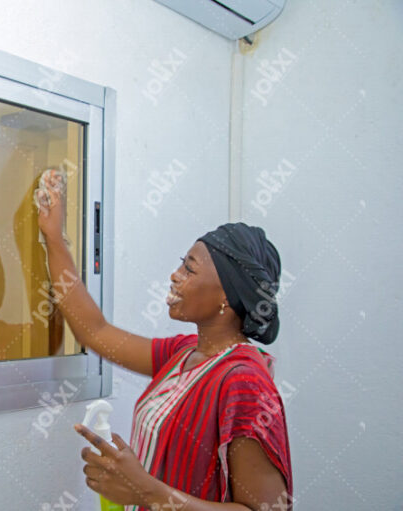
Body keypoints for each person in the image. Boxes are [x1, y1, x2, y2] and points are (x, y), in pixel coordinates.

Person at [35, 170, 293, 510]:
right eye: (180, 265)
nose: (175, 275)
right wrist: (54, 238)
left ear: (227, 296)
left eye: (189, 269)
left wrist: (146, 492)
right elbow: (94, 332)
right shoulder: (183, 353)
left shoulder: (244, 382)